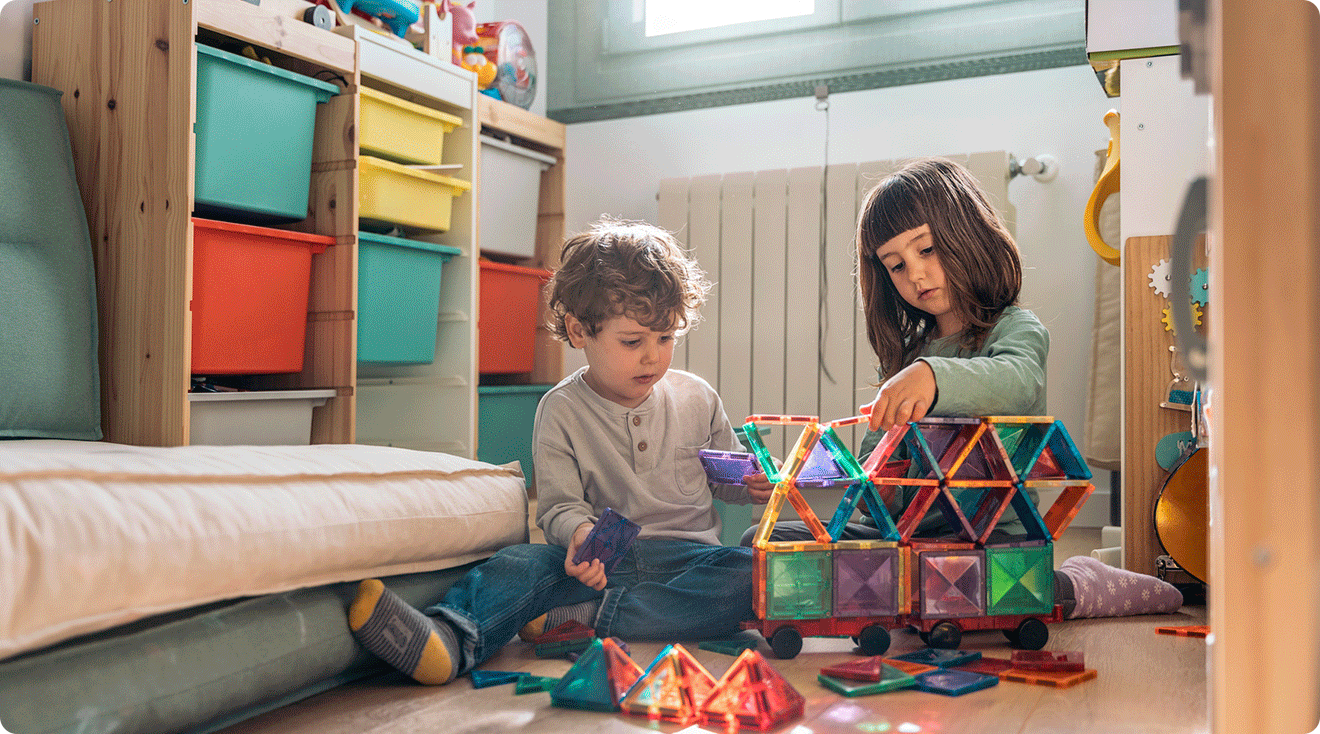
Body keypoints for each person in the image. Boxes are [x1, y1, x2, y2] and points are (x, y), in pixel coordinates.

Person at [742, 157, 1181, 619]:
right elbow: (876, 464)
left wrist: (933, 377)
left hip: (990, 538)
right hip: (908, 539)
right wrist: (828, 483)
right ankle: (893, 592)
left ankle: (1072, 585)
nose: (915, 274)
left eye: (926, 250)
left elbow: (1018, 380)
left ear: (967, 235)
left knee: (946, 588)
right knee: (763, 542)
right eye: (896, 265)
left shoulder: (1015, 330)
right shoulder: (909, 357)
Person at [347, 217, 775, 685]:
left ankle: (590, 617)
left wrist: (757, 482)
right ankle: (452, 636)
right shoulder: (561, 409)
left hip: (689, 562)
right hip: (596, 567)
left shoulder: (697, 397)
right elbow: (558, 506)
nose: (653, 356)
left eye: (666, 338)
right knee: (518, 563)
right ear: (579, 331)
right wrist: (579, 532)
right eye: (632, 341)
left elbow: (729, 476)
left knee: (753, 574)